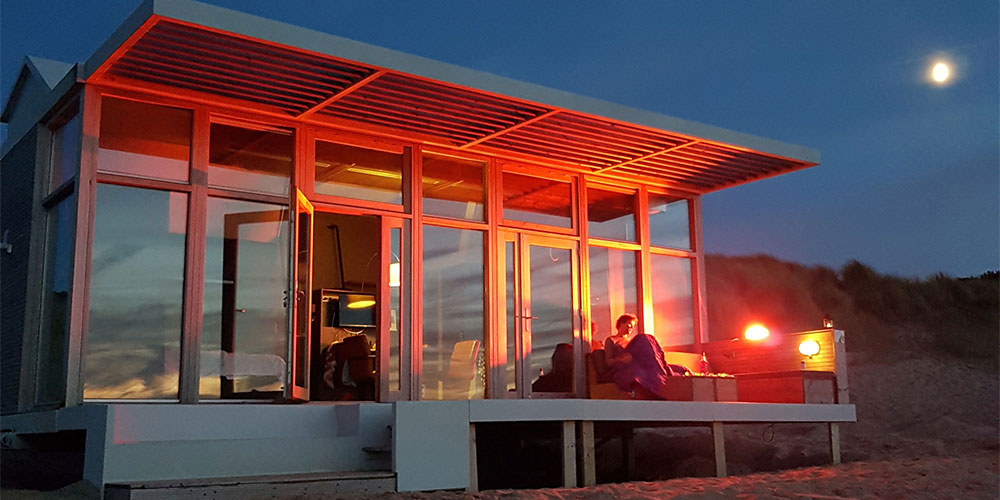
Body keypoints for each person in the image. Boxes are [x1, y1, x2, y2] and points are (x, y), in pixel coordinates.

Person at [605, 313, 677, 399]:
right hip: (623, 366)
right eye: (629, 325)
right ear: (621, 323)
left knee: (649, 339)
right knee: (642, 337)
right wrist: (620, 359)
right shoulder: (611, 340)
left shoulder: (631, 341)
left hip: (638, 362)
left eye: (633, 327)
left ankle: (661, 367)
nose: (631, 328)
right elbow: (609, 362)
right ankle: (660, 373)